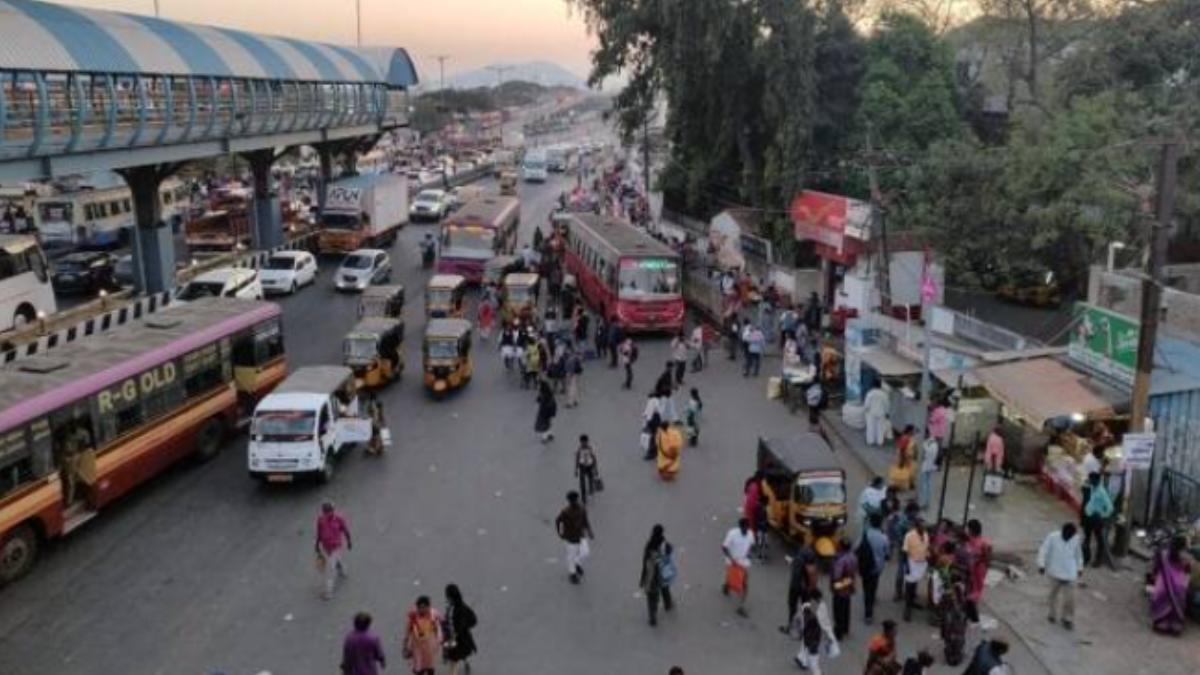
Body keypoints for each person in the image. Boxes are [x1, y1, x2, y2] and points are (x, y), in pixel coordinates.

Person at [1038, 522, 1084, 629]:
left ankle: (1067, 618)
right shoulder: (1052, 537)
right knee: (1052, 595)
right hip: (1054, 571)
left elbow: (1078, 555)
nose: (1068, 537)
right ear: (1062, 531)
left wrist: (1080, 568)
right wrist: (1041, 564)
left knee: (1070, 598)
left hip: (1070, 573)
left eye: (1071, 535)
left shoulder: (1076, 539)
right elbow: (1043, 550)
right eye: (1066, 534)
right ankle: (1052, 614)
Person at [1151, 535, 1192, 635]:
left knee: (1163, 595)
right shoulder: (1186, 557)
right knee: (1179, 598)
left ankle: (1161, 623)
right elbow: (1187, 572)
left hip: (1163, 583)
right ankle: (1175, 626)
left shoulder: (1163, 554)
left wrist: (1155, 577)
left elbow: (1156, 568)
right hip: (1179, 585)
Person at [791, 588, 836, 674]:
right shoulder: (818, 609)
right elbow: (824, 625)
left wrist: (798, 631)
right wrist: (828, 637)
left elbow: (798, 619)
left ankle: (801, 658)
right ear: (817, 598)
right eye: (820, 598)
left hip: (806, 634)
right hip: (814, 638)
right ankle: (817, 673)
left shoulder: (806, 606)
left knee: (806, 647)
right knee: (814, 660)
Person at [640, 524, 676, 626]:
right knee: (665, 589)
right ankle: (668, 605)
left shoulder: (649, 545)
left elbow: (645, 562)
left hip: (652, 576)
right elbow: (670, 553)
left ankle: (653, 616)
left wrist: (643, 576)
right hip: (663, 573)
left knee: (652, 597)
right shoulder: (665, 544)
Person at [316, 501, 352, 600]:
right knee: (337, 560)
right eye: (325, 512)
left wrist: (349, 541)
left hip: (336, 546)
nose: (328, 513)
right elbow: (319, 532)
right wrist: (317, 545)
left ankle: (328, 593)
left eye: (329, 511)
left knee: (330, 570)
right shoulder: (320, 520)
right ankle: (342, 570)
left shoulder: (339, 519)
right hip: (326, 546)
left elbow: (345, 530)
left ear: (333, 510)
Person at [556, 491, 593, 584]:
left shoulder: (582, 509)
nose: (574, 502)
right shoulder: (565, 512)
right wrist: (560, 533)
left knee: (585, 552)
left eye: (575, 500)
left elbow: (585, 520)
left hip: (580, 535)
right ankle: (572, 574)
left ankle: (577, 563)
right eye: (572, 501)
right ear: (569, 501)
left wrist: (589, 531)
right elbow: (558, 521)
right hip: (570, 537)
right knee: (571, 555)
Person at [782, 540, 820, 632]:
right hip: (806, 588)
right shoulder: (812, 560)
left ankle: (791, 627)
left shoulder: (800, 556)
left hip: (795, 586)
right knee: (806, 607)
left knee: (792, 606)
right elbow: (813, 575)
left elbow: (796, 566)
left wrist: (790, 561)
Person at [860, 513, 891, 624]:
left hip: (864, 566)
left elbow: (857, 548)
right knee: (873, 587)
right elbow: (887, 554)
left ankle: (868, 611)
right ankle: (870, 608)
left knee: (866, 587)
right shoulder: (884, 537)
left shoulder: (865, 534)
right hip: (877, 567)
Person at [1081, 472, 1115, 569]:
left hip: (1096, 518)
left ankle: (1098, 560)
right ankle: (1086, 558)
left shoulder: (1102, 492)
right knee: (1087, 537)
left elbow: (1110, 508)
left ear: (1096, 480)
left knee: (1099, 539)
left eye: (1091, 480)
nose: (1090, 481)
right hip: (1088, 516)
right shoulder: (1092, 488)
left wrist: (1102, 515)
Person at [721, 518, 754, 617]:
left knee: (744, 584)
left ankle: (741, 607)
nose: (746, 530)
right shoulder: (732, 534)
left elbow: (751, 545)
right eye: (744, 528)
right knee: (731, 579)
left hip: (743, 562)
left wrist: (749, 553)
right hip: (732, 562)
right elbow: (724, 547)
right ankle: (727, 585)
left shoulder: (750, 534)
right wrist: (732, 560)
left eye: (747, 528)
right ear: (740, 527)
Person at [442, 585, 477, 675]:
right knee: (459, 655)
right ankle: (465, 662)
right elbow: (473, 620)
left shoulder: (459, 609)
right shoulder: (457, 605)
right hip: (457, 637)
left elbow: (471, 621)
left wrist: (461, 628)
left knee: (453, 661)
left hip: (458, 638)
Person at [402, 596, 442, 675]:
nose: (422, 610)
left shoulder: (434, 614)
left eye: (424, 607)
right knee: (419, 668)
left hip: (430, 646)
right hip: (417, 647)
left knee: (430, 667)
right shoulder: (413, 617)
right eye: (420, 607)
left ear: (428, 607)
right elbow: (407, 632)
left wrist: (440, 639)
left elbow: (440, 625)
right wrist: (405, 645)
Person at [901, 517, 930, 622]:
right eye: (922, 527)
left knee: (915, 583)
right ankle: (907, 609)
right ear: (917, 527)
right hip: (912, 562)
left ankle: (912, 601)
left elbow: (926, 548)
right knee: (909, 585)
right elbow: (904, 552)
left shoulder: (926, 535)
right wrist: (907, 566)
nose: (924, 528)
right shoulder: (909, 536)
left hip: (922, 563)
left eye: (924, 527)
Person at [963, 519, 991, 623]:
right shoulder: (971, 540)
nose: (967, 531)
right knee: (970, 590)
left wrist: (978, 561)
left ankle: (974, 619)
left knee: (974, 593)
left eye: (968, 529)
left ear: (972, 530)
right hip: (971, 569)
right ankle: (969, 615)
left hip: (978, 570)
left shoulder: (983, 543)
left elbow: (987, 558)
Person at [830, 537, 858, 640]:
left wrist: (835, 587)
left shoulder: (840, 560)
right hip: (849, 586)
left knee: (838, 611)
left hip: (840, 588)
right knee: (846, 608)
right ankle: (846, 628)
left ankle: (838, 633)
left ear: (841, 547)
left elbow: (837, 576)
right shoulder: (853, 557)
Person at [916, 435, 939, 510]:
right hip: (931, 466)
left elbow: (925, 452)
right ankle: (927, 503)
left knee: (924, 485)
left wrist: (924, 444)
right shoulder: (935, 444)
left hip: (925, 466)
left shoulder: (926, 445)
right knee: (928, 485)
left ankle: (923, 503)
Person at [575, 435, 600, 504]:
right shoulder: (579, 450)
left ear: (587, 441)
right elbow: (577, 459)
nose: (583, 443)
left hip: (590, 466)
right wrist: (576, 469)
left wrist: (596, 469)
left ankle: (591, 488)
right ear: (580, 442)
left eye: (585, 442)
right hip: (582, 467)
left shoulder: (590, 449)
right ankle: (583, 498)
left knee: (590, 479)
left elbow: (594, 458)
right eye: (582, 442)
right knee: (582, 483)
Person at [534, 379, 557, 443]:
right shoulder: (548, 393)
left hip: (544, 412)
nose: (537, 387)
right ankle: (550, 434)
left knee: (544, 424)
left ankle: (544, 437)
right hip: (549, 412)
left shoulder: (544, 395)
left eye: (538, 386)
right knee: (548, 423)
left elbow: (539, 400)